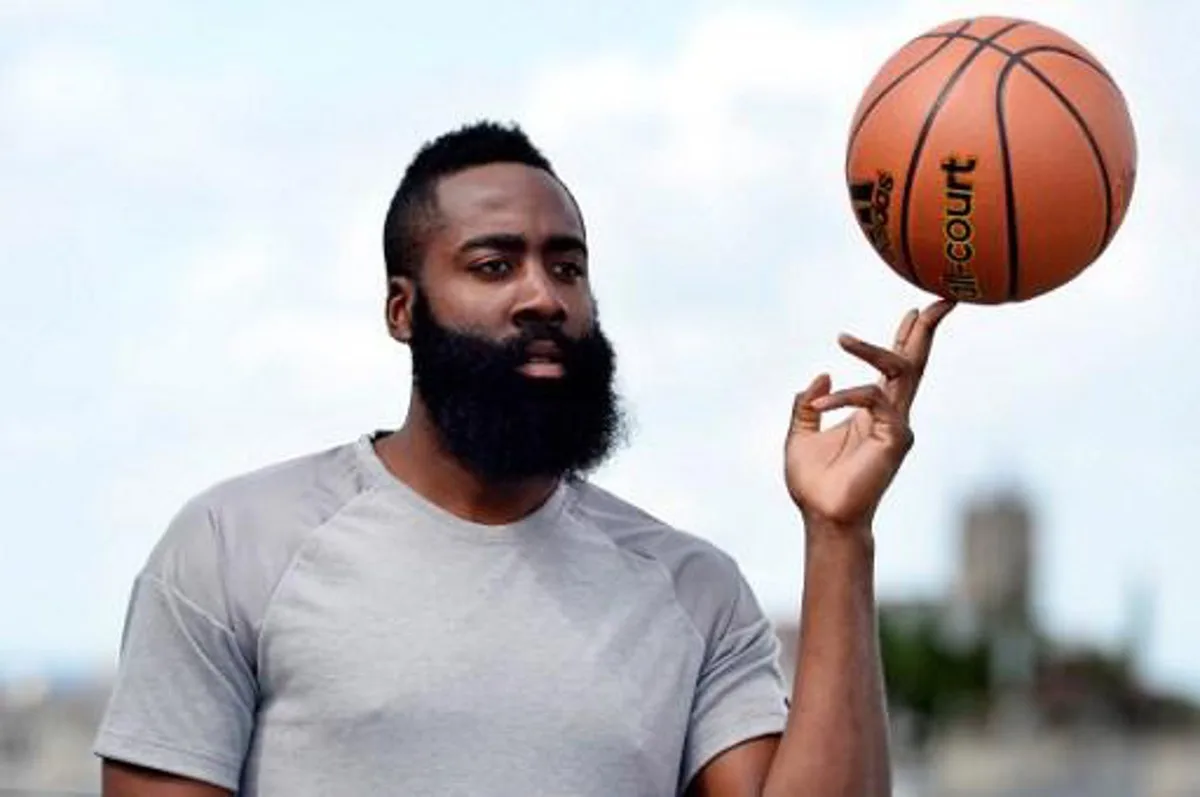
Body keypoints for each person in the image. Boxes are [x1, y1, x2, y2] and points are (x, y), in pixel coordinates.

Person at [94, 120, 953, 797]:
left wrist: (839, 533)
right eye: (494, 263)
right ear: (404, 308)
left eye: (567, 266)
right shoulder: (232, 545)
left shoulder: (692, 589)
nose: (543, 295)